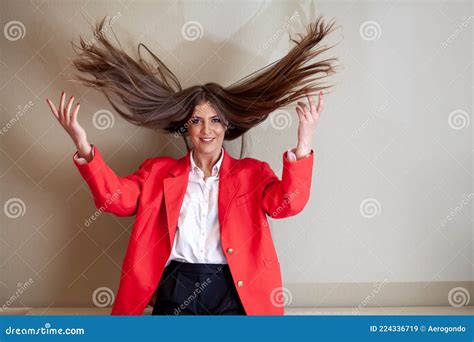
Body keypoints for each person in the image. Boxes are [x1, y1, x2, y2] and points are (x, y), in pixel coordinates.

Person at [45, 16, 339, 315]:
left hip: (234, 288)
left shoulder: (253, 173)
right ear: (186, 127)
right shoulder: (158, 172)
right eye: (197, 120)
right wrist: (83, 146)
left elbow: (287, 205)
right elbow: (116, 200)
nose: (206, 129)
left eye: (214, 120)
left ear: (226, 125)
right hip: (177, 284)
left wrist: (304, 143)